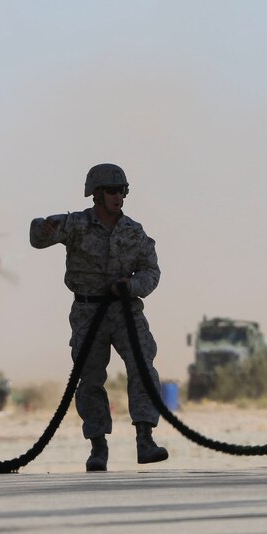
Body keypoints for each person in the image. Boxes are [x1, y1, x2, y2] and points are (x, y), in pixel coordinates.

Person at [30, 163, 169, 472]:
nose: (118, 196)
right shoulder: (76, 225)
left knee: (143, 368)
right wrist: (42, 228)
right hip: (87, 312)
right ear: (96, 194)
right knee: (90, 378)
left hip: (125, 312)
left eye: (122, 191)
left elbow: (151, 270)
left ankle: (145, 440)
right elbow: (38, 237)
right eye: (111, 191)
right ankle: (98, 447)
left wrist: (131, 286)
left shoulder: (134, 231)